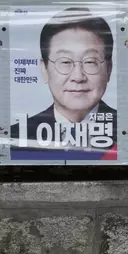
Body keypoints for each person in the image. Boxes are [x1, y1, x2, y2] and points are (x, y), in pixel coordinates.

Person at [10, 6, 117, 160]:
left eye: (90, 62)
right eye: (65, 62)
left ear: (109, 69)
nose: (78, 76)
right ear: (44, 69)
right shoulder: (18, 137)